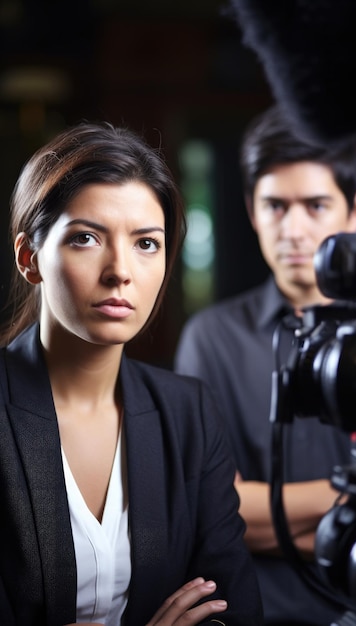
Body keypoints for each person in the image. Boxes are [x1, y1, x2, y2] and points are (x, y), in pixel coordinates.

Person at [0, 121, 264, 626]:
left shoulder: (187, 411)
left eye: (147, 244)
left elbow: (233, 607)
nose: (120, 269)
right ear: (29, 258)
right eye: (86, 238)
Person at [174, 105, 356, 625]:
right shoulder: (212, 337)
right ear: (251, 209)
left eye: (316, 205)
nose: (294, 230)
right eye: (276, 206)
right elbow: (218, 515)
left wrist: (275, 515)